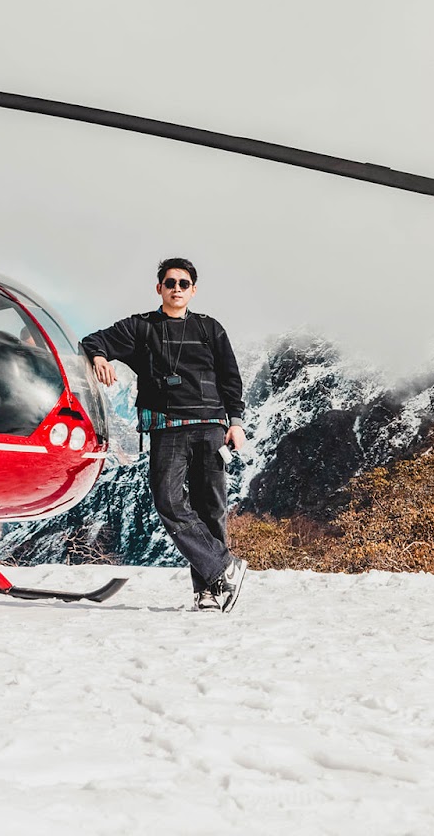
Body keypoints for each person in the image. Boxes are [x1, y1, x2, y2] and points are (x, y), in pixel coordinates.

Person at [81, 258, 249, 612]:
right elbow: (94, 339)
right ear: (159, 288)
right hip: (166, 429)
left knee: (211, 510)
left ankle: (210, 589)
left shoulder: (210, 329)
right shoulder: (141, 328)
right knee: (168, 502)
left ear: (193, 290)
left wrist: (235, 422)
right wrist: (98, 356)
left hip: (210, 429)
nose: (176, 288)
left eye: (183, 283)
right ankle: (224, 567)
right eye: (170, 282)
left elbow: (230, 379)